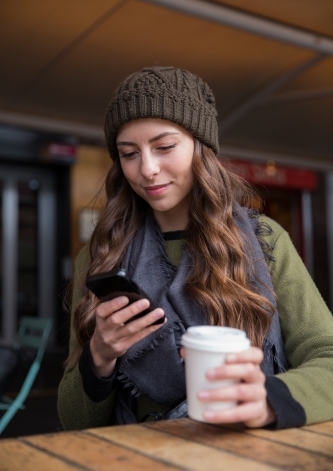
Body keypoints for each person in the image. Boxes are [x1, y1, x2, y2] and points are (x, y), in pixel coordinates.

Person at [58, 66, 333, 430]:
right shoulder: (101, 256)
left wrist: (268, 399)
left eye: (165, 147)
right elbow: (72, 420)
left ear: (201, 146)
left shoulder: (266, 241)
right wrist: (100, 357)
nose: (148, 169)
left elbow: (326, 356)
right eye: (129, 154)